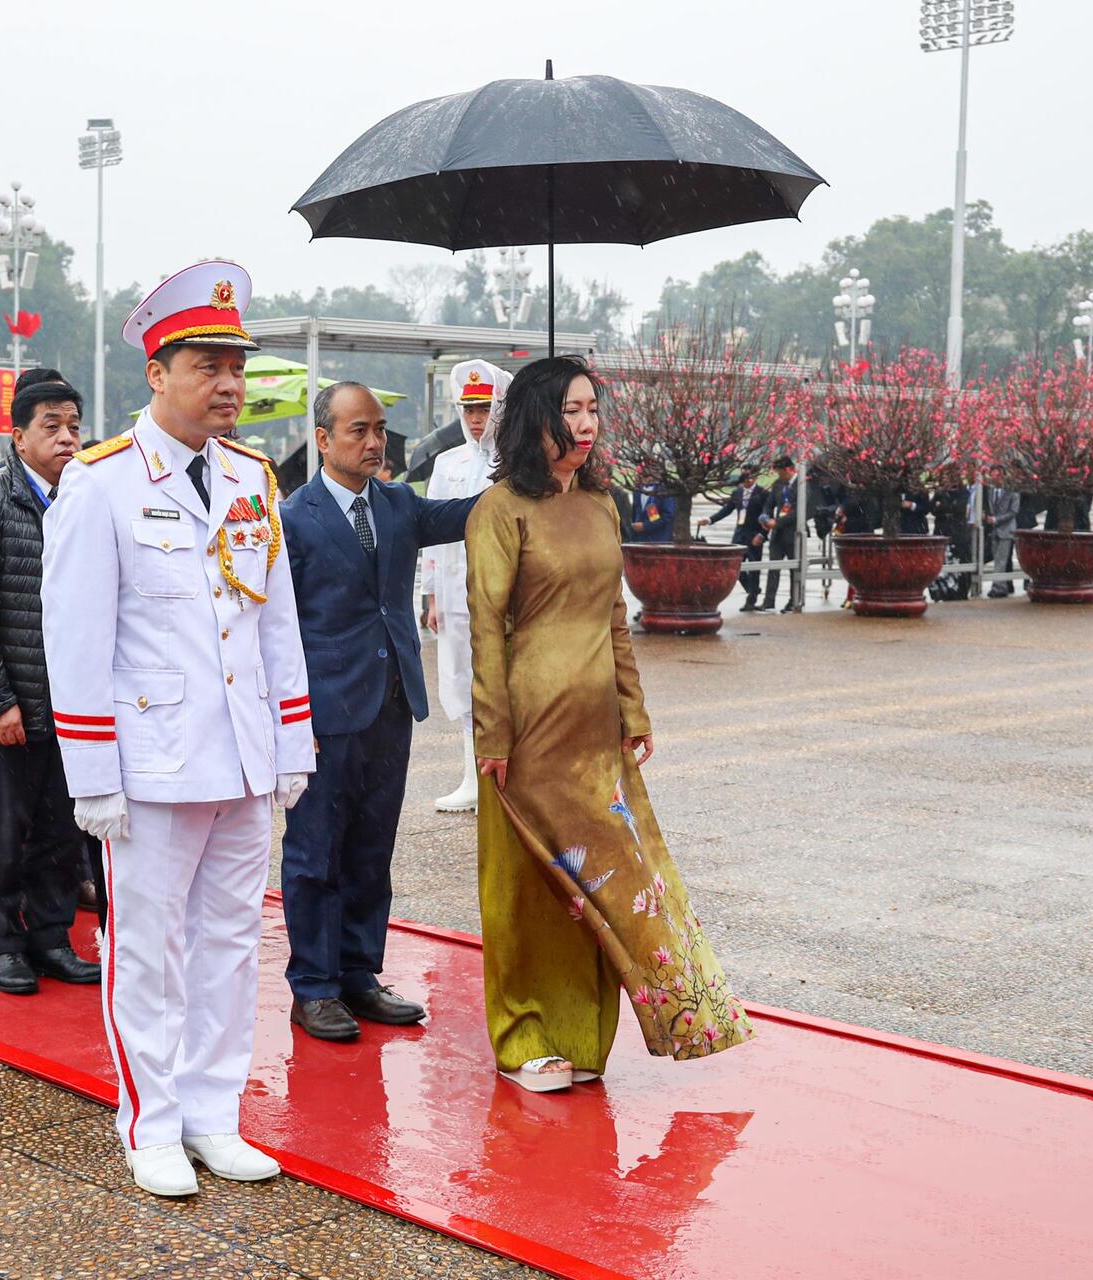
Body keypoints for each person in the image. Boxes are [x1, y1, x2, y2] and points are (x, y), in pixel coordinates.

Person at [42, 261, 312, 1197]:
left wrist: (292, 744)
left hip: (242, 754)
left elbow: (275, 619)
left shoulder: (251, 478)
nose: (229, 383)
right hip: (152, 762)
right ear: (157, 373)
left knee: (234, 943)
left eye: (236, 365)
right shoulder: (102, 482)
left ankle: (214, 1113)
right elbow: (75, 636)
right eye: (207, 364)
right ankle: (151, 1122)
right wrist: (93, 775)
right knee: (148, 947)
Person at [468, 356, 752, 1093]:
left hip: (596, 734)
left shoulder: (600, 505)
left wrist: (634, 709)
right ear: (538, 418)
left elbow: (614, 621)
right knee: (528, 891)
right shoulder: (498, 511)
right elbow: (486, 629)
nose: (588, 423)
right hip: (527, 735)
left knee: (608, 886)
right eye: (572, 409)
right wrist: (491, 735)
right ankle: (523, 1037)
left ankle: (583, 1038)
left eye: (593, 408)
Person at [279, 381, 477, 1042]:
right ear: (325, 439)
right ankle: (313, 987)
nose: (374, 442)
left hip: (390, 705)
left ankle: (360, 974)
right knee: (315, 853)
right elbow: (275, 626)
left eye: (380, 430)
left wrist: (535, 477)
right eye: (358, 430)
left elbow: (466, 515)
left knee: (372, 847)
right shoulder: (293, 518)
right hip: (323, 712)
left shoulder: (397, 506)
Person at [0, 368, 100, 995]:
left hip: (73, 706)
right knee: (2, 833)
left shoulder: (86, 499)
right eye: (51, 427)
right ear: (19, 436)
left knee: (63, 832)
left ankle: (52, 937)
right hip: (8, 705)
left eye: (73, 427)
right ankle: (5, 943)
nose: (66, 439)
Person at [422, 359, 509, 814]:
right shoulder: (446, 462)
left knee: (500, 684)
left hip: (498, 596)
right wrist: (432, 596)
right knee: (460, 684)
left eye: (483, 407)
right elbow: (431, 538)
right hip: (456, 596)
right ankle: (471, 778)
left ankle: (504, 782)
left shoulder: (512, 461)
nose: (476, 417)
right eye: (469, 408)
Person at [701, 465, 771, 612]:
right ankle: (752, 589)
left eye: (750, 477)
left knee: (754, 567)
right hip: (739, 534)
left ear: (756, 477)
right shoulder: (737, 493)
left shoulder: (763, 493)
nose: (747, 480)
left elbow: (767, 513)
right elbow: (727, 510)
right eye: (744, 477)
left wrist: (763, 535)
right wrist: (710, 520)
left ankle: (751, 600)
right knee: (735, 567)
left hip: (754, 534)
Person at [761, 456, 802, 612]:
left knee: (794, 569)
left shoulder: (802, 485)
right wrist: (765, 516)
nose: (779, 476)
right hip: (777, 534)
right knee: (773, 566)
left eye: (779, 473)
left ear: (787, 470)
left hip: (793, 533)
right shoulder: (778, 484)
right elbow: (769, 504)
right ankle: (768, 601)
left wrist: (777, 522)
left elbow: (798, 512)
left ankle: (794, 600)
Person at [624, 461, 676, 544]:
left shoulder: (665, 491)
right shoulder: (637, 490)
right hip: (639, 540)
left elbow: (668, 517)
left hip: (659, 541)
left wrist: (645, 526)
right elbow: (635, 512)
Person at [983, 483, 1020, 598]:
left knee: (1001, 560)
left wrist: (996, 519)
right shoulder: (991, 490)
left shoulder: (1012, 491)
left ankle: (998, 587)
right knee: (998, 560)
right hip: (995, 531)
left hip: (1006, 530)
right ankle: (1000, 586)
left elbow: (1013, 511)